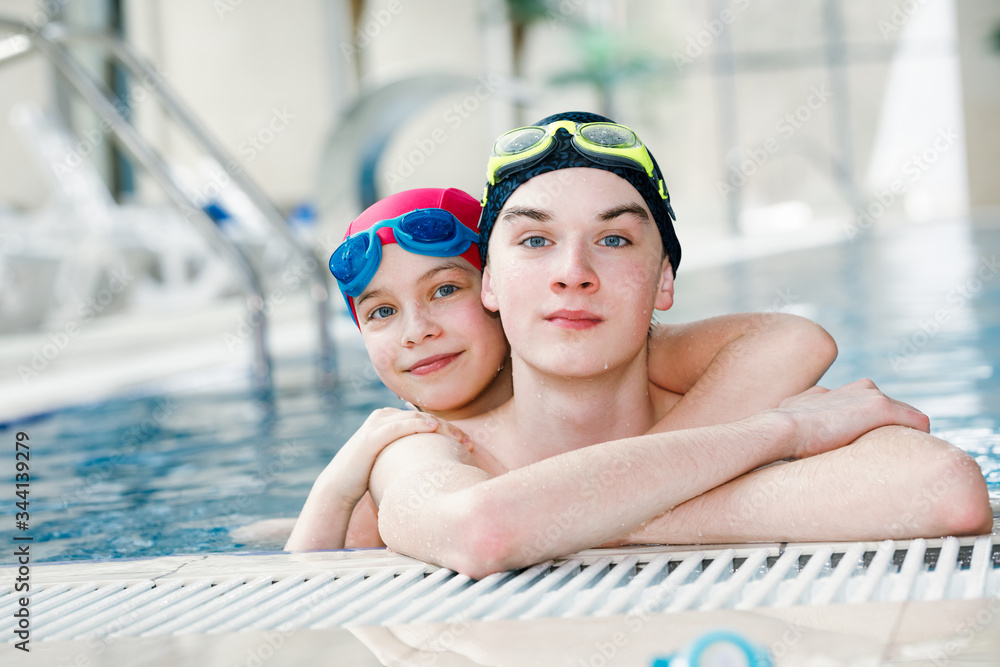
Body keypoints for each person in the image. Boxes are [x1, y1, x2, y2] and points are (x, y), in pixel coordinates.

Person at [365, 112, 991, 578]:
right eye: (534, 241)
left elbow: (948, 489)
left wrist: (568, 515)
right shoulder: (436, 447)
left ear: (662, 281)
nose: (573, 271)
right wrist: (778, 435)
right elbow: (486, 529)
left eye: (614, 240)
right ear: (492, 284)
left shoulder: (734, 397)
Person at [278, 184, 838, 552]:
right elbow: (300, 608)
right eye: (381, 312)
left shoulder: (631, 362)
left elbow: (791, 340)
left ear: (497, 290)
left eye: (446, 289)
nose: (416, 330)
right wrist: (334, 486)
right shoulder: (403, 453)